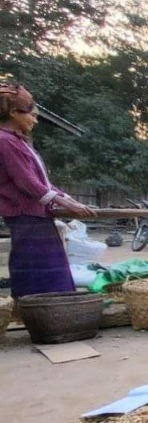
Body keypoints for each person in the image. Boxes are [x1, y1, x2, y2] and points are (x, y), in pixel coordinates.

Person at [0, 82, 95, 299]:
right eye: (31, 115)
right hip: (25, 215)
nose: (34, 120)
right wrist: (65, 203)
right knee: (38, 270)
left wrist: (66, 198)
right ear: (14, 113)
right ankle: (38, 311)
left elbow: (41, 181)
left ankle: (58, 310)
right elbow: (26, 182)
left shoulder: (19, 142)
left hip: (37, 215)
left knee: (53, 266)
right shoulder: (5, 141)